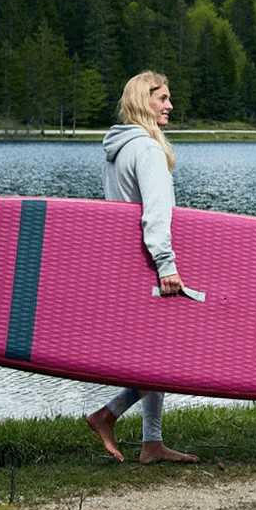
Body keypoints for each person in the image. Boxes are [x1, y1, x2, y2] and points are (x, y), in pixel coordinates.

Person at [85, 71, 199, 465]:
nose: (169, 105)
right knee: (170, 355)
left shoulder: (119, 150)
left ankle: (152, 443)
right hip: (151, 262)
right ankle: (108, 414)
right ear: (141, 101)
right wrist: (166, 264)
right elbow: (156, 214)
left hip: (128, 263)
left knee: (156, 352)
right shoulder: (148, 150)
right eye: (162, 98)